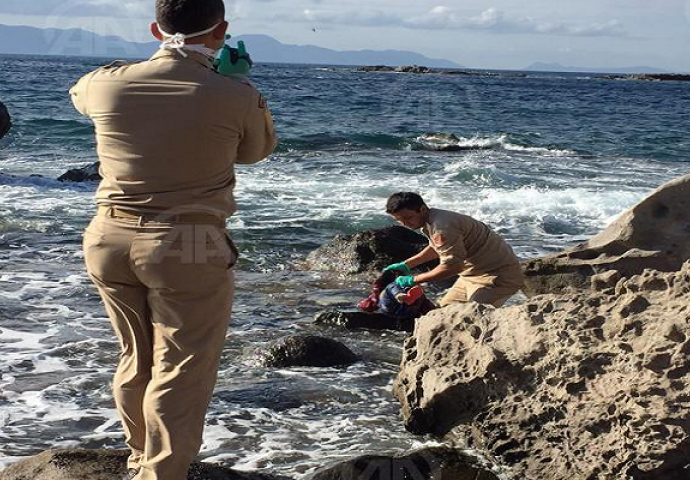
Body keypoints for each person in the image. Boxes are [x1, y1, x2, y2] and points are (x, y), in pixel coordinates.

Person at [69, 0, 276, 479]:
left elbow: (79, 97)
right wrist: (236, 82)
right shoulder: (235, 94)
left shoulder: (107, 83)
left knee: (133, 354)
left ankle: (140, 455)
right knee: (182, 365)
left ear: (154, 28)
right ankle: (162, 473)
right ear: (221, 31)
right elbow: (255, 151)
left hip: (109, 236)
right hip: (188, 242)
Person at [384, 192, 523, 308]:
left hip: (497, 277)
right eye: (399, 220)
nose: (405, 224)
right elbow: (437, 247)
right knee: (439, 314)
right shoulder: (431, 219)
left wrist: (413, 280)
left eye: (408, 218)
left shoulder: (442, 226)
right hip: (470, 276)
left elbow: (452, 267)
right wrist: (407, 264)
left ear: (422, 209)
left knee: (469, 318)